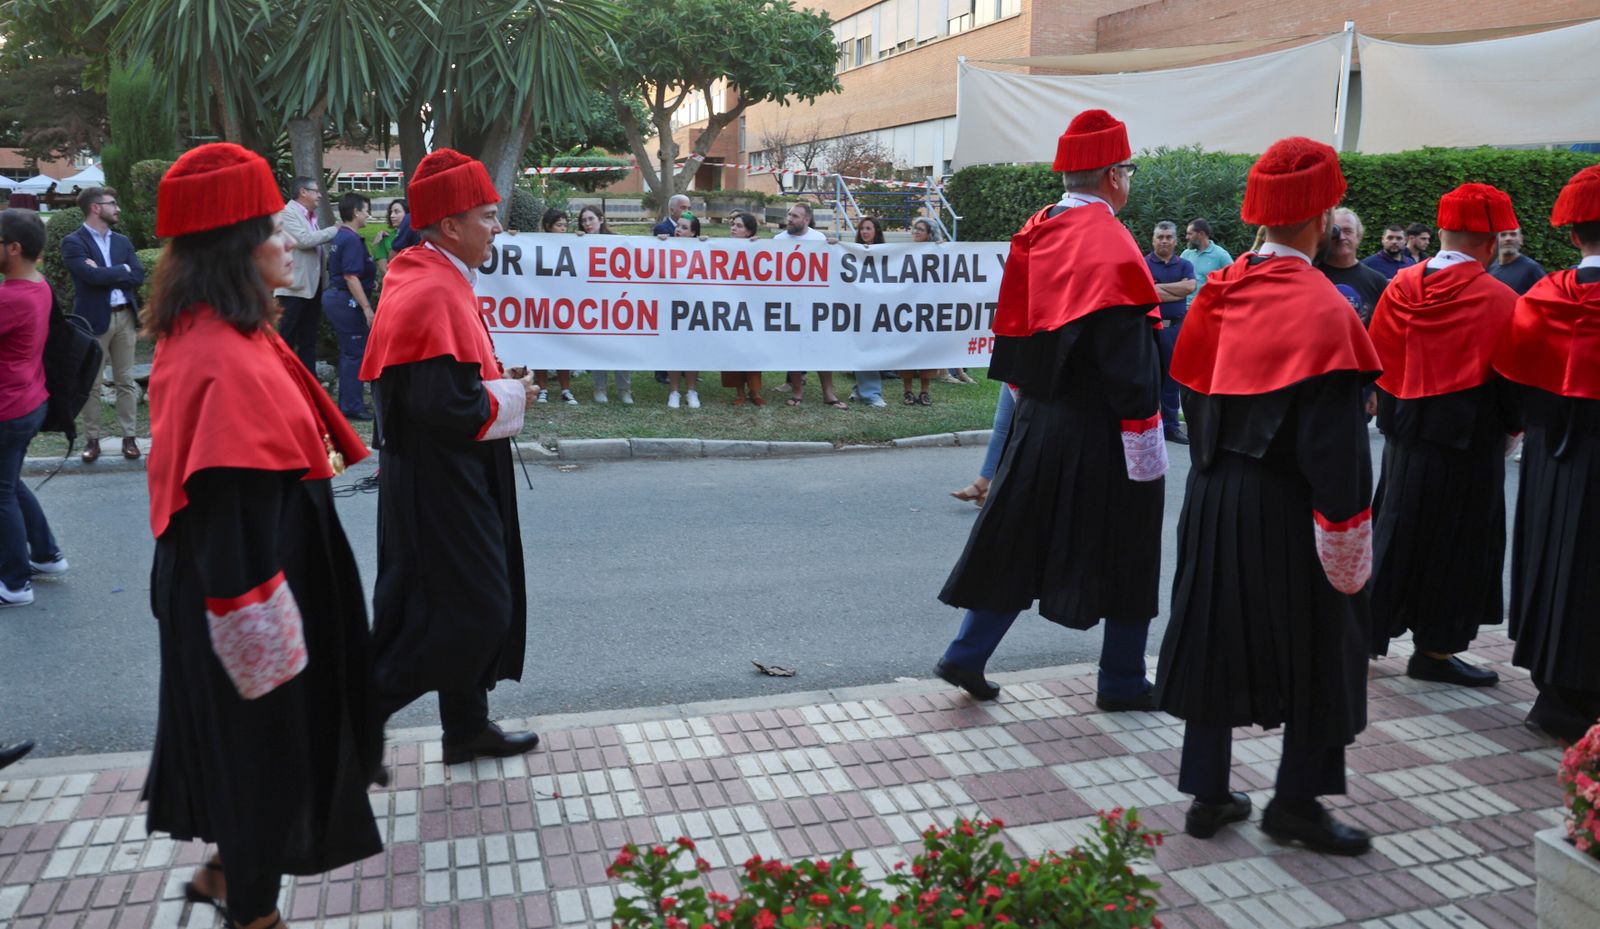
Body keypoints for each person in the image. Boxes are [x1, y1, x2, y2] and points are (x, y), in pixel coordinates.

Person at [141, 142, 382, 929]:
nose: (288, 242)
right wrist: (262, 638)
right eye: (272, 231)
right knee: (261, 749)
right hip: (245, 588)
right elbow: (232, 506)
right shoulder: (222, 355)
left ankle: (225, 872)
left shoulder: (225, 329)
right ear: (233, 250)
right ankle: (251, 910)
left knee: (273, 745)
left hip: (258, 573)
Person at [1156, 137, 1381, 856]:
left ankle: (1209, 792)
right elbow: (1337, 452)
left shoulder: (1217, 291)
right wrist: (1347, 530)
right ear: (1321, 218)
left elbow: (1191, 393)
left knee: (1214, 633)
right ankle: (1296, 803)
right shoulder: (1326, 309)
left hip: (1214, 492)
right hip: (1290, 508)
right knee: (1320, 643)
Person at [936, 109, 1166, 710]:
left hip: (1038, 414)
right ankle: (1120, 679)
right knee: (1129, 545)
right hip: (1102, 427)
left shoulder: (1036, 228)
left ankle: (966, 653)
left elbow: (1014, 329)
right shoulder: (1112, 242)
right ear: (1115, 174)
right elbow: (1129, 360)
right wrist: (1145, 444)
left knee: (1017, 536)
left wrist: (1023, 404)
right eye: (1130, 170)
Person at [359, 148, 541, 765]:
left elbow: (444, 383)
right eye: (488, 215)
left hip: (444, 470)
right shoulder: (431, 287)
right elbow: (446, 406)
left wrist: (496, 380)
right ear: (450, 225)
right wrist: (514, 393)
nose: (497, 227)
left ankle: (465, 728)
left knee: (448, 601)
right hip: (442, 476)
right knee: (477, 609)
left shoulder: (429, 272)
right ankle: (361, 712)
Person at [1366, 184, 1521, 687]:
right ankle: (1434, 650)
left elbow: (1378, 355)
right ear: (1492, 239)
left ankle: (1361, 636)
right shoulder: (1498, 298)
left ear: (1442, 232)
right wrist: (1513, 428)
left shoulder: (1401, 285)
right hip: (1467, 439)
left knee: (1392, 530)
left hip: (1404, 432)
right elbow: (1511, 376)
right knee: (1458, 544)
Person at [1497, 164, 1600, 743]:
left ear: (1569, 234)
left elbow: (1513, 380)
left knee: (1551, 557)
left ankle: (1553, 689)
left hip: (1551, 457)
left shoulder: (1542, 295)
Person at [0, 208, 66, 607]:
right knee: (8, 484)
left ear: (13, 248)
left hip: (9, 407)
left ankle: (15, 583)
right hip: (29, 400)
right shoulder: (36, 285)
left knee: (1, 493)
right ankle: (46, 555)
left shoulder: (11, 298)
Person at [60, 186, 145, 463]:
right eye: (112, 203)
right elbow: (88, 277)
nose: (117, 208)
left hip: (125, 318)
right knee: (92, 383)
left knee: (126, 381)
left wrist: (107, 272)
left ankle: (129, 438)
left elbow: (138, 276)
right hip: (93, 321)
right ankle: (92, 440)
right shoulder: (74, 242)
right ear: (96, 208)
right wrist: (121, 272)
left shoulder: (122, 242)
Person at [272, 178, 339, 372]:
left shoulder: (311, 216)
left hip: (312, 286)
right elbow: (303, 240)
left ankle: (309, 385)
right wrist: (333, 230)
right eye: (316, 191)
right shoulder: (286, 213)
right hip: (293, 288)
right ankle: (281, 381)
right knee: (287, 338)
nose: (319, 195)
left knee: (308, 340)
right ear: (303, 192)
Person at [322, 193, 378, 420]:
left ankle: (349, 403)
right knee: (354, 353)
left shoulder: (342, 236)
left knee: (350, 353)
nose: (367, 215)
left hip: (337, 298)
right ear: (356, 212)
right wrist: (367, 308)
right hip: (346, 301)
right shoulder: (352, 240)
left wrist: (369, 281)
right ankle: (352, 406)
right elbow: (350, 276)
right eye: (365, 210)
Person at [1145, 221, 1196, 444]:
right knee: (1148, 376)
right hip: (1149, 329)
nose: (1164, 240)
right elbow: (1145, 293)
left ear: (1175, 241)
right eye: (1160, 237)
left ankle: (1171, 427)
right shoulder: (1143, 263)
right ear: (1153, 240)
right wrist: (1176, 288)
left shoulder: (1184, 264)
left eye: (1168, 237)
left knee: (1171, 379)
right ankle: (1147, 425)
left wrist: (1157, 289)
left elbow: (1190, 288)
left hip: (1175, 329)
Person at [575, 206, 630, 403]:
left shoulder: (618, 241)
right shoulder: (577, 241)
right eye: (584, 220)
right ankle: (600, 388)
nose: (587, 224)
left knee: (621, 345)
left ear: (601, 219)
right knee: (598, 344)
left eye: (591, 219)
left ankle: (624, 390)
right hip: (592, 302)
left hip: (617, 301)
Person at [1317, 207, 1389, 326]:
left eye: (1348, 231)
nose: (1341, 237)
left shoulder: (1377, 281)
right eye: (1335, 230)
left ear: (1358, 237)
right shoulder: (1312, 275)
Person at [720, 212, 764, 406]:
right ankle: (739, 392)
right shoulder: (721, 246)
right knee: (733, 348)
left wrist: (759, 244)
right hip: (728, 305)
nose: (733, 228)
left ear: (749, 231)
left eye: (738, 226)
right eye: (732, 225)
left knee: (753, 349)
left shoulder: (757, 247)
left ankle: (754, 391)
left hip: (752, 306)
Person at [949, 383, 1016, 508]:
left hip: (1033, 375)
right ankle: (982, 485)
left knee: (1028, 429)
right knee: (1001, 427)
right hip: (1014, 374)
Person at [534, 209, 577, 405]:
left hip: (564, 304)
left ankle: (565, 389)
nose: (563, 229)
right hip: (541, 303)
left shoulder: (572, 243)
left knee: (563, 348)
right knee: (542, 347)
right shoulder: (535, 244)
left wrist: (582, 240)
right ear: (548, 227)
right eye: (559, 225)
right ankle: (542, 389)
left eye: (565, 225)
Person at [666, 217, 705, 407]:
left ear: (694, 233)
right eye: (678, 227)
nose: (678, 230)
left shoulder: (703, 248)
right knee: (674, 351)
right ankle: (674, 392)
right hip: (671, 307)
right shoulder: (664, 247)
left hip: (695, 308)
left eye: (684, 228)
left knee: (693, 351)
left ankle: (691, 391)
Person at [1179, 218, 1231, 309]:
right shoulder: (1186, 254)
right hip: (1184, 310)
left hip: (1208, 310)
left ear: (1201, 234)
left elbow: (1234, 280)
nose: (1186, 237)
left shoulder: (1221, 255)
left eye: (1190, 234)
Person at [1487, 226, 1546, 295]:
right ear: (1496, 241)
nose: (1508, 238)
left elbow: (1546, 297)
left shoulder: (1532, 269)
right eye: (1503, 235)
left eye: (1513, 234)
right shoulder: (1490, 267)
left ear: (1521, 239)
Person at [373, 198, 408, 276]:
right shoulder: (385, 238)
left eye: (396, 212)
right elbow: (383, 270)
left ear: (408, 214)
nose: (392, 216)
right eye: (391, 212)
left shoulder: (418, 235)